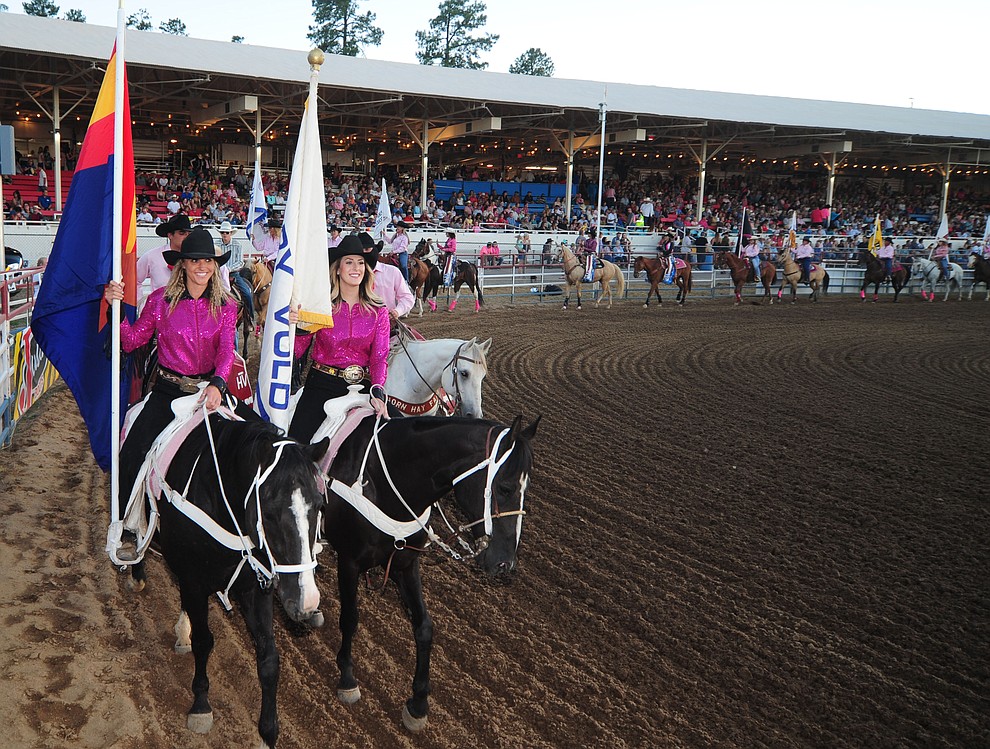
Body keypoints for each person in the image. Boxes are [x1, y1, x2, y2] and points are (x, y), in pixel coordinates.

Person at [104, 228, 239, 519]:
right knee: (131, 455)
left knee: (249, 444)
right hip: (168, 392)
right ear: (182, 265)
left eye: (207, 260)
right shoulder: (159, 301)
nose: (202, 266)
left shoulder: (227, 306)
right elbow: (131, 341)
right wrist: (113, 307)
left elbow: (227, 350)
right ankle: (127, 523)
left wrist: (218, 384)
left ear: (215, 265)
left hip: (209, 392)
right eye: (194, 260)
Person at [287, 235, 390, 444]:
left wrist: (378, 391)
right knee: (297, 446)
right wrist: (297, 327)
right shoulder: (320, 307)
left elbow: (379, 358)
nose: (356, 267)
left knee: (397, 438)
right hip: (322, 384)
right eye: (349, 262)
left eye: (361, 262)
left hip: (362, 385)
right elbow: (297, 352)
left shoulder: (379, 312)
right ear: (337, 269)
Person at [362, 232, 414, 322]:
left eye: (366, 249)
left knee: (403, 264)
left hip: (401, 252)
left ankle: (406, 278)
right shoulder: (351, 276)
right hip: (360, 324)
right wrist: (385, 236)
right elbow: (389, 241)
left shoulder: (392, 271)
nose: (364, 253)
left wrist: (397, 311)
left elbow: (407, 298)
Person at [138, 213, 192, 296]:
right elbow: (134, 280)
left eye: (189, 234)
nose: (186, 237)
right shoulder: (152, 256)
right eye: (182, 233)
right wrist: (141, 304)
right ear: (170, 235)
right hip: (160, 307)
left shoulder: (196, 258)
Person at [218, 220, 253, 327]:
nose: (224, 234)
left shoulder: (237, 245)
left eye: (226, 232)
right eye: (223, 232)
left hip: (233, 275)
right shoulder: (216, 245)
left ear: (230, 233)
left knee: (247, 293)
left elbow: (240, 262)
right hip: (219, 276)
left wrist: (228, 269)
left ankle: (250, 317)